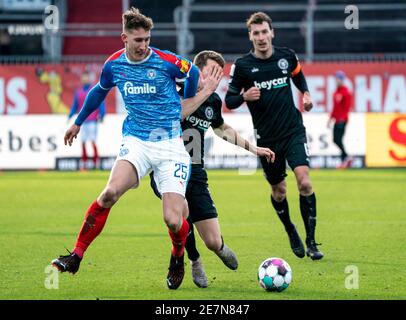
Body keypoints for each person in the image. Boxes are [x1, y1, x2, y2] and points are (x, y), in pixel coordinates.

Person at [51, 7, 222, 290]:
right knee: (108, 194)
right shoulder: (114, 65)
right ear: (124, 38)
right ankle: (76, 255)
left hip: (170, 145)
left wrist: (191, 100)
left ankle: (178, 256)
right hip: (137, 142)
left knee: (172, 218)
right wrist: (78, 122)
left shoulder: (166, 61)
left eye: (147, 39)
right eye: (138, 40)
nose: (144, 46)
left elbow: (191, 71)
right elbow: (99, 91)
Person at [150, 50, 275, 288]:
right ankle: (193, 260)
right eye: (212, 72)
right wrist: (204, 90)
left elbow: (220, 128)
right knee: (180, 212)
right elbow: (177, 115)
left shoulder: (213, 100)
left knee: (212, 240)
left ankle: (217, 247)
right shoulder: (173, 91)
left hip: (195, 172)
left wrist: (253, 148)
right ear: (196, 71)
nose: (217, 79)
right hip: (166, 169)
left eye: (220, 74)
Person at [225, 12, 324, 260]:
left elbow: (298, 75)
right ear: (250, 36)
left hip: (293, 130)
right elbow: (229, 99)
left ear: (272, 32)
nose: (261, 37)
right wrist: (244, 97)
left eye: (264, 32)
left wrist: (306, 94)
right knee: (279, 191)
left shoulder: (287, 56)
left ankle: (311, 242)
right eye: (255, 33)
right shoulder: (243, 65)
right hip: (267, 140)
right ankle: (290, 228)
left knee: (304, 182)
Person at [68, 71, 106, 170]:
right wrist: (70, 115)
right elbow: (75, 106)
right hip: (82, 122)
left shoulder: (94, 90)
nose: (85, 79)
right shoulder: (78, 92)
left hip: (93, 121)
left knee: (93, 141)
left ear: (89, 78)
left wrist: (102, 115)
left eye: (86, 77)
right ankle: (84, 164)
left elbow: (101, 103)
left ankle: (96, 163)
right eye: (83, 77)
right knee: (83, 142)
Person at [328, 71, 353, 169]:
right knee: (336, 139)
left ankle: (345, 158)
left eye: (338, 79)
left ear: (342, 80)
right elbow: (335, 108)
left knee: (338, 139)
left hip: (342, 120)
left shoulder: (346, 92)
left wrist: (343, 118)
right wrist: (330, 119)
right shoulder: (336, 92)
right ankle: (346, 157)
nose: (337, 81)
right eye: (336, 79)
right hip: (337, 120)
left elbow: (347, 107)